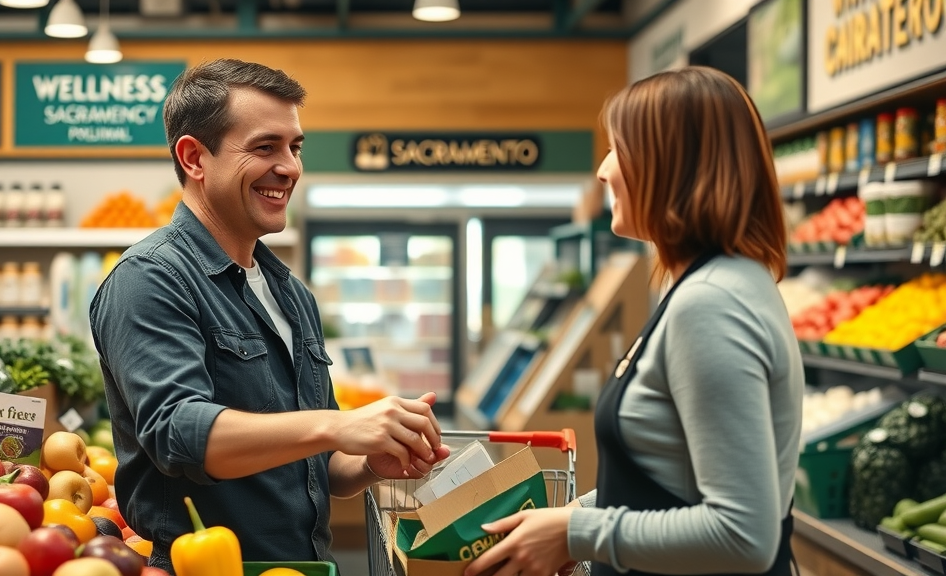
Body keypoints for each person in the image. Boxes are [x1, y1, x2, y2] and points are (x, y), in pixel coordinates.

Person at [89, 58, 450, 574]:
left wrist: (371, 460)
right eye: (265, 147)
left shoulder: (290, 293)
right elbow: (178, 433)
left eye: (295, 147)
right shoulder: (150, 278)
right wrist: (337, 424)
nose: (290, 167)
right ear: (194, 157)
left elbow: (321, 466)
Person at [464, 66, 804, 576]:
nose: (603, 171)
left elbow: (743, 534)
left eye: (618, 150)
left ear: (673, 166)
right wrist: (570, 517)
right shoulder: (712, 284)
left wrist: (577, 533)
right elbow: (667, 482)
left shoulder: (711, 304)